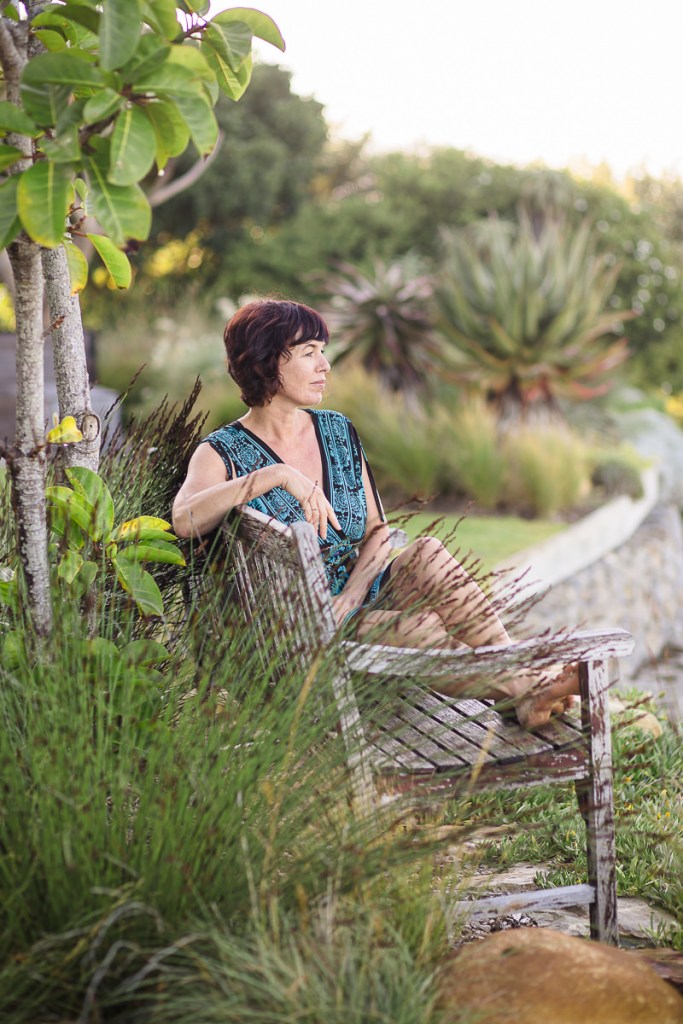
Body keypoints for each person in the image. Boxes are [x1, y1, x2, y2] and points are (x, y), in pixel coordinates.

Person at [172, 299, 578, 728]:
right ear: (266, 361)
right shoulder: (220, 450)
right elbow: (184, 518)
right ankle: (530, 686)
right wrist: (276, 475)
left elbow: (377, 530)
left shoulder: (336, 430)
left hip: (358, 596)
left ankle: (522, 678)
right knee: (418, 628)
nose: (325, 365)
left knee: (427, 551)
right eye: (309, 352)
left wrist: (350, 597)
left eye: (322, 351)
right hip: (304, 631)